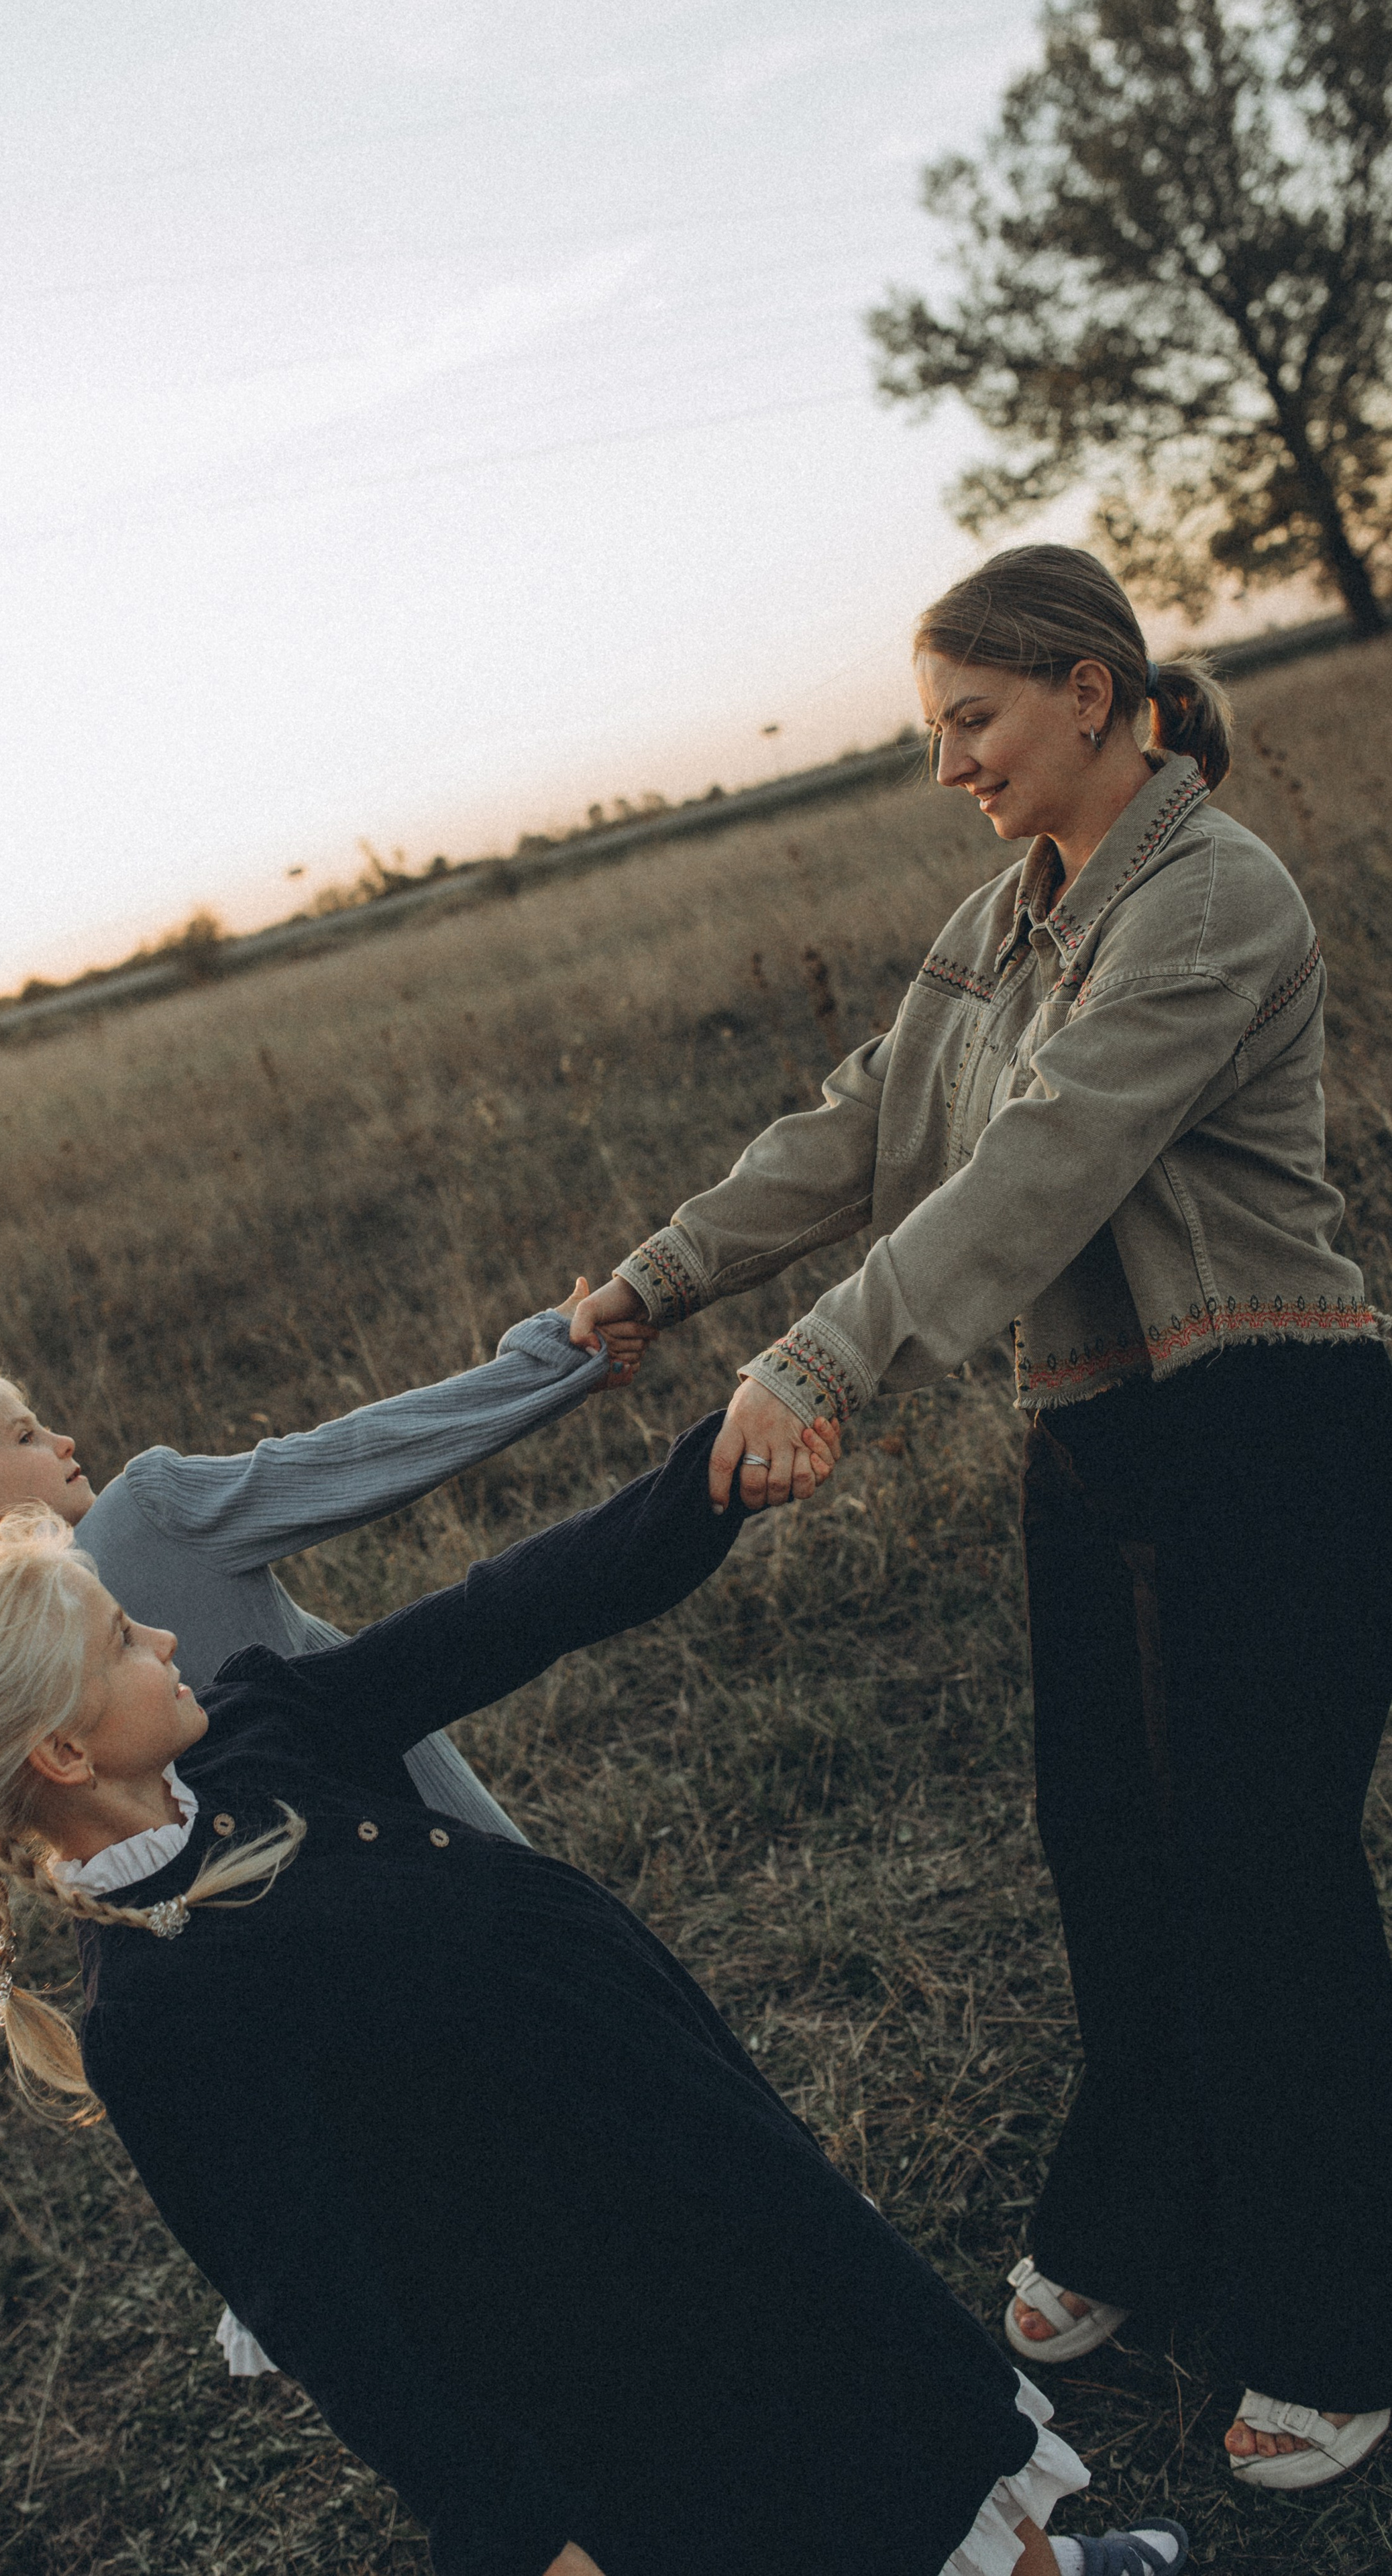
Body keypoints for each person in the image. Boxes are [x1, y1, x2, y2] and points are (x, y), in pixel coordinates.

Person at [570, 543, 1392, 2490]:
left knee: (1264, 1889)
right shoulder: (1002, 915)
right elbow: (873, 1122)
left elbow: (1041, 1165)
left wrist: (824, 1369)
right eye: (936, 730)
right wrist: (662, 1276)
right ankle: (1145, 2217)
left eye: (977, 721)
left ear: (1092, 696)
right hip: (1100, 1434)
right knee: (1111, 1851)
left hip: (1275, 1421)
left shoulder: (1212, 895)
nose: (951, 762)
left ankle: (1346, 2309)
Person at [0, 1415, 1189, 2576]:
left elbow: (497, 1616)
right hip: (602, 2323)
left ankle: (1036, 2561)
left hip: (701, 2154)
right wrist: (522, 2537)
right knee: (810, 2492)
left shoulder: (256, 1736)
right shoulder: (158, 2020)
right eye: (125, 1639)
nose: (167, 1636)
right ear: (62, 1747)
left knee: (896, 2383)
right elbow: (330, 2314)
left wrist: (705, 1473)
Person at [0, 1283, 682, 2378]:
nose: (64, 1438)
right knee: (610, 2077)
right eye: (26, 1433)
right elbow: (364, 1455)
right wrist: (551, 1357)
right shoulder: (147, 1512)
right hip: (420, 1861)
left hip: (320, 2011)